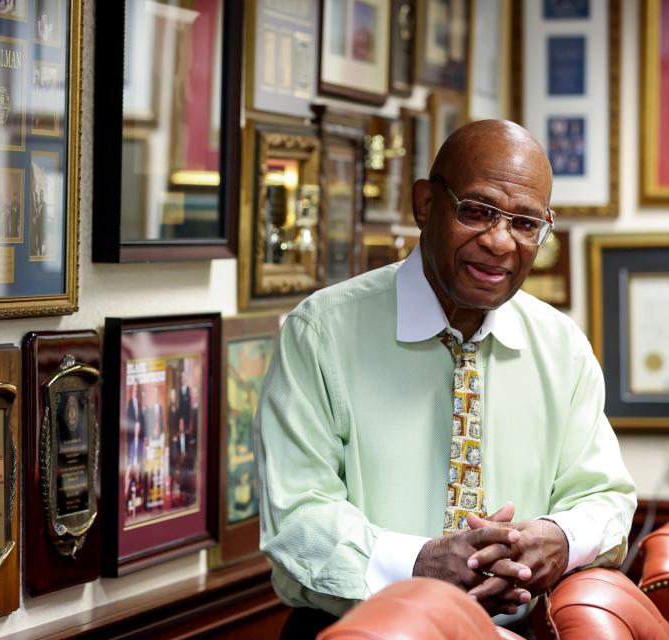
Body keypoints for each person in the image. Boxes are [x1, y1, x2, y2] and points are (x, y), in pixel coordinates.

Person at [255, 120, 636, 635]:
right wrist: (420, 563)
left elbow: (605, 495)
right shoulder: (320, 333)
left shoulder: (561, 346)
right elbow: (298, 516)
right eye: (476, 211)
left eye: (525, 223)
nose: (500, 242)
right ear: (426, 205)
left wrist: (557, 536)